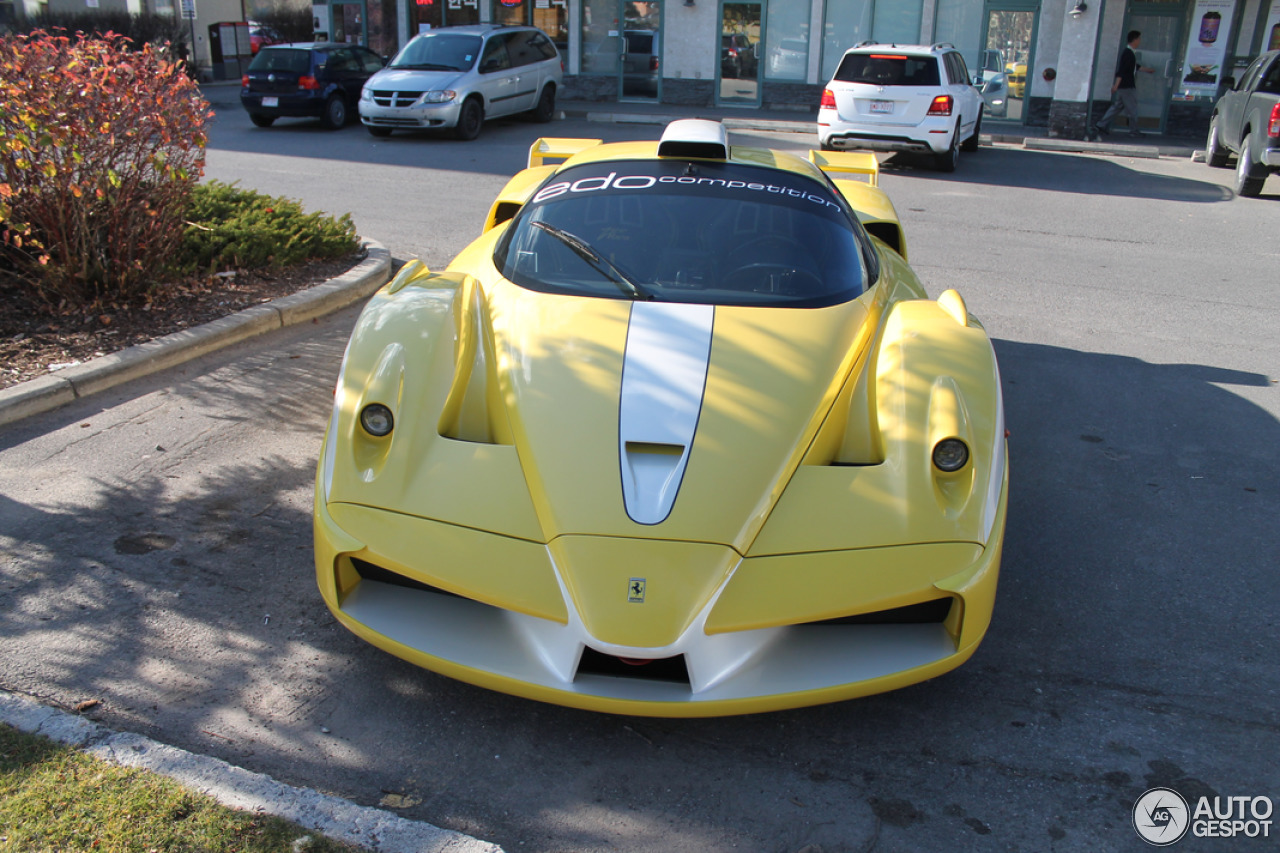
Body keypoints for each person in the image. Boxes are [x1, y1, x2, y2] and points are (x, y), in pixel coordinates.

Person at [1093, 30, 1154, 138]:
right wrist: (1116, 85)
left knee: (1117, 107)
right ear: (1134, 40)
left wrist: (1148, 70)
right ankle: (1133, 131)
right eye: (1139, 39)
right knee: (1132, 108)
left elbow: (1135, 67)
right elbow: (1122, 70)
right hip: (1127, 86)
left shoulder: (1130, 53)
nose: (1140, 41)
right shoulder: (1128, 53)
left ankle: (1100, 125)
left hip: (1124, 86)